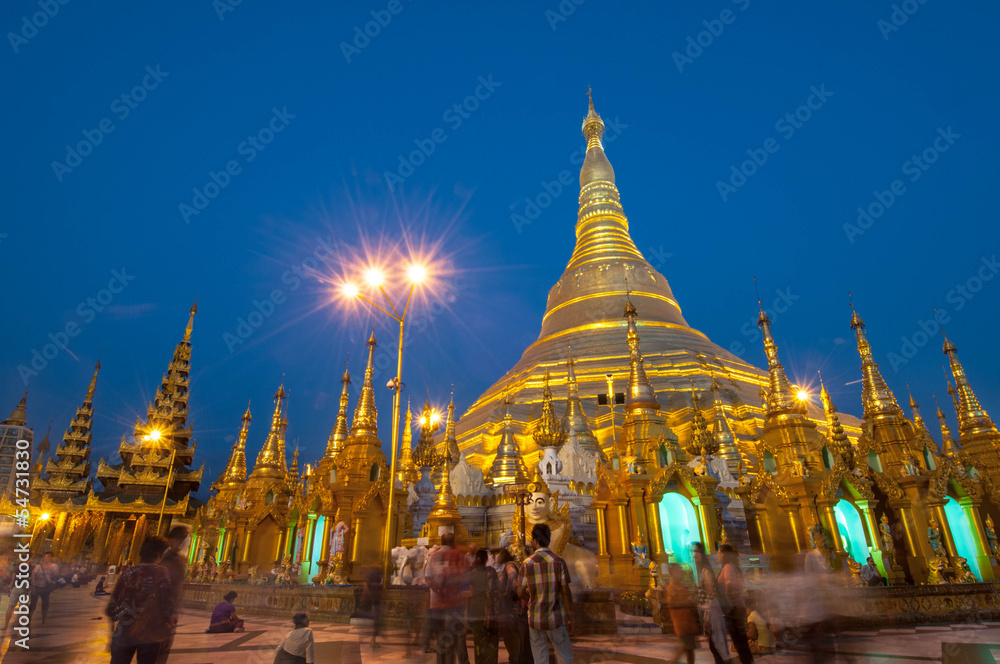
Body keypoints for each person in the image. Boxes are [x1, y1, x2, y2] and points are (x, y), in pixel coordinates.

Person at [105, 536, 176, 664]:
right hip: (150, 633)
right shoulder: (161, 572)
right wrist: (169, 632)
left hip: (124, 632)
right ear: (159, 554)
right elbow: (166, 606)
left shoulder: (127, 573)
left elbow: (111, 609)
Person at [518, 523, 573, 664]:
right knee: (564, 656)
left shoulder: (527, 563)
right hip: (556, 617)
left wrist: (531, 598)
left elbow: (520, 591)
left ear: (534, 541)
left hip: (535, 618)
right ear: (549, 540)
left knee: (540, 658)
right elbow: (566, 591)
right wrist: (571, 616)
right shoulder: (559, 562)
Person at [425, 532, 471, 664]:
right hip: (455, 603)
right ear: (453, 542)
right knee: (455, 636)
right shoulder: (459, 556)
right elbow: (465, 577)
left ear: (441, 541)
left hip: (436, 603)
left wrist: (439, 591)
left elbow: (428, 578)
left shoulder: (432, 556)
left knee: (440, 637)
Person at [491, 548, 531, 664]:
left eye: (498, 555)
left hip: (509, 608)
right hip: (511, 607)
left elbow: (512, 576)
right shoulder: (507, 566)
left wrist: (506, 593)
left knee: (511, 636)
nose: (496, 558)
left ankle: (515, 659)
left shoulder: (509, 565)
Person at [717, 544, 753, 664]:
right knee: (740, 638)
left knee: (738, 639)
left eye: (720, 553)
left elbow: (730, 585)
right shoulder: (734, 567)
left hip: (733, 607)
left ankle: (746, 661)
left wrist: (727, 603)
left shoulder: (728, 567)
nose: (718, 555)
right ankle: (747, 660)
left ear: (724, 554)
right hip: (738, 606)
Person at [692, 543, 728, 664]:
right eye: (693, 552)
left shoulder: (706, 571)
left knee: (715, 644)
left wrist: (707, 616)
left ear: (702, 554)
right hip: (709, 609)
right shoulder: (702, 571)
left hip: (711, 610)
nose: (694, 555)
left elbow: (711, 594)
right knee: (714, 644)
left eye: (696, 552)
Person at [664, 563, 698, 664]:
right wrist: (687, 603)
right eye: (678, 570)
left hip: (688, 623)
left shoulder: (680, 586)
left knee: (689, 649)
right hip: (682, 623)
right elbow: (671, 603)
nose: (681, 572)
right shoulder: (672, 587)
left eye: (681, 570)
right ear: (673, 573)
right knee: (684, 648)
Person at [469, 549, 499, 664]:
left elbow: (471, 591)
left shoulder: (472, 574)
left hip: (476, 611)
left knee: (478, 641)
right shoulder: (492, 572)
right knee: (491, 642)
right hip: (491, 613)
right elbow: (496, 590)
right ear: (486, 559)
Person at [29, 552, 59, 625]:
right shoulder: (38, 566)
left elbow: (56, 574)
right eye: (45, 557)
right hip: (37, 587)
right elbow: (33, 573)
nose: (46, 558)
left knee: (45, 604)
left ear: (51, 558)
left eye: (48, 557)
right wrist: (33, 582)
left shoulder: (54, 566)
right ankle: (29, 620)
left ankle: (44, 620)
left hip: (46, 588)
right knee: (33, 604)